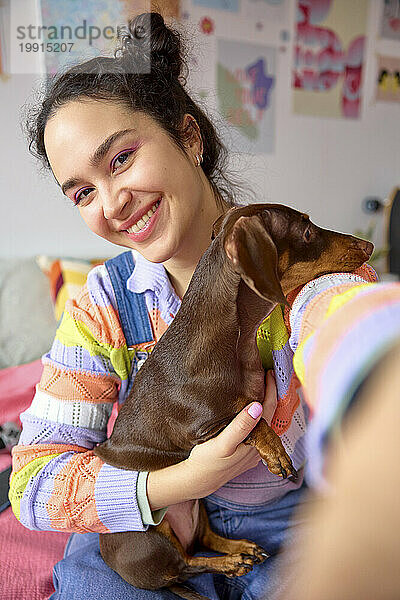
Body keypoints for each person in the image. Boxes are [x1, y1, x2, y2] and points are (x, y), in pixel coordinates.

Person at [9, 11, 377, 600]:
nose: (112, 202)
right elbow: (32, 486)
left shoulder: (291, 262)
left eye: (121, 159)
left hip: (288, 526)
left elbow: (350, 322)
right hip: (148, 519)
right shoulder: (103, 306)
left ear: (188, 137)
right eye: (82, 192)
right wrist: (180, 482)